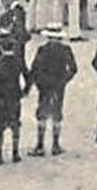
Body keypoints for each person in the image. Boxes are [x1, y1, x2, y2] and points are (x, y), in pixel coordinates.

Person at [27, 23, 78, 156]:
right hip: (58, 85)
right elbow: (73, 69)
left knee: (42, 113)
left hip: (44, 85)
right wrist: (64, 80)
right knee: (57, 112)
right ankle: (55, 144)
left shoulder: (42, 50)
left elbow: (34, 69)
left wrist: (35, 83)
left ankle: (40, 145)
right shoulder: (66, 50)